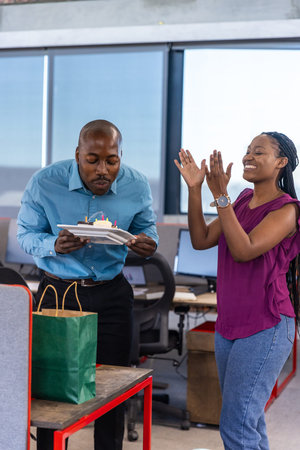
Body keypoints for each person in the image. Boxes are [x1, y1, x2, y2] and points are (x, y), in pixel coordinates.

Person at [17, 119, 158, 450]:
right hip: (59, 291)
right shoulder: (45, 183)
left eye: (112, 160)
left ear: (120, 156)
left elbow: (147, 230)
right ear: (77, 154)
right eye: (92, 160)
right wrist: (54, 245)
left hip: (112, 293)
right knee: (54, 388)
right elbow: (25, 235)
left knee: (114, 388)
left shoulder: (136, 185)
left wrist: (147, 243)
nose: (103, 170)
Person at [174, 131, 300, 450]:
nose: (248, 157)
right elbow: (201, 239)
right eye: (247, 150)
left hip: (266, 326)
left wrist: (221, 198)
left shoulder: (288, 210)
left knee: (236, 424)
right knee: (249, 421)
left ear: (281, 162)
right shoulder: (241, 200)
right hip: (229, 325)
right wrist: (195, 189)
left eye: (259, 152)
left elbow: (245, 250)